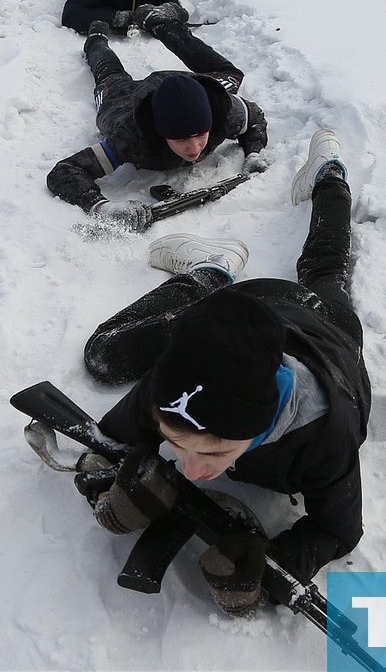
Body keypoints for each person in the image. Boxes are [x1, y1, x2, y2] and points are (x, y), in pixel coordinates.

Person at [77, 129, 370, 618]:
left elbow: (338, 529)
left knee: (324, 269)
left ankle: (329, 179)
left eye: (215, 452)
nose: (192, 469)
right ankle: (211, 270)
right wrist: (113, 481)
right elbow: (109, 441)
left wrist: (274, 563)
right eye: (179, 442)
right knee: (104, 355)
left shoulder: (326, 434)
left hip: (324, 324)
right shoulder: (173, 383)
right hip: (240, 309)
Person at [46, 19, 268, 231]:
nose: (194, 148)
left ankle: (161, 25)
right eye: (180, 139)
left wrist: (253, 153)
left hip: (188, 85)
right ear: (161, 133)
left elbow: (256, 118)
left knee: (232, 75)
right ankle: (96, 38)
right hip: (122, 98)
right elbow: (65, 171)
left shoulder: (226, 112)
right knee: (110, 74)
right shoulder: (131, 138)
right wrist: (103, 207)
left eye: (201, 134)